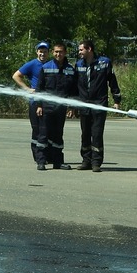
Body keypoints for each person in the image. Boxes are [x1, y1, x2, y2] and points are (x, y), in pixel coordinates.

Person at [74, 39, 121, 173]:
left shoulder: (104, 63)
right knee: (85, 134)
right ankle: (86, 161)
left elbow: (113, 82)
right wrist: (74, 104)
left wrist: (116, 100)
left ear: (89, 49)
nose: (79, 52)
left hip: (99, 103)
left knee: (97, 133)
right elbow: (74, 86)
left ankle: (96, 162)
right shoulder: (78, 65)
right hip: (83, 104)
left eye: (81, 50)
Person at [33, 42, 78, 171]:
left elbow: (73, 91)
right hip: (46, 107)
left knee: (58, 135)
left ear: (65, 53)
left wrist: (71, 107)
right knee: (43, 135)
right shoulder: (46, 67)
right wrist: (39, 105)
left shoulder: (70, 69)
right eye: (56, 52)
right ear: (53, 52)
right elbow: (39, 88)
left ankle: (58, 162)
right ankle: (41, 161)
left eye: (61, 52)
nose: (58, 54)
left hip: (61, 108)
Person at [11, 41, 50, 166]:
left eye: (45, 51)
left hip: (48, 103)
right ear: (37, 52)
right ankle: (37, 156)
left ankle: (46, 155)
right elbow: (16, 76)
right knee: (37, 129)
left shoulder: (51, 65)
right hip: (35, 102)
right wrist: (27, 89)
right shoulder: (33, 64)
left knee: (47, 130)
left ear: (48, 53)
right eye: (40, 51)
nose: (42, 53)